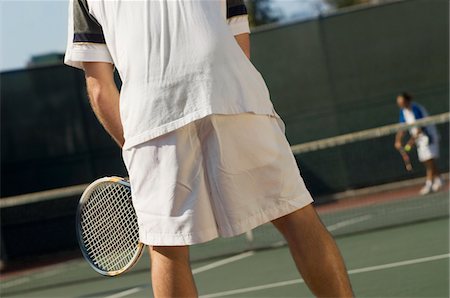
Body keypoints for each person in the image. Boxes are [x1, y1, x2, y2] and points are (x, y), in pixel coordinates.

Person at [65, 1, 353, 296]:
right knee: (296, 216)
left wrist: (137, 149)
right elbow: (238, 40)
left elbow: (99, 87)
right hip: (230, 88)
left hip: (150, 115)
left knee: (167, 249)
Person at [395, 92, 443, 195]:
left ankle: (429, 184)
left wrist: (410, 142)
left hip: (428, 136)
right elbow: (402, 128)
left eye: (402, 102)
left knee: (428, 160)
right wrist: (398, 141)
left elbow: (420, 127)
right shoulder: (403, 112)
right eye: (399, 103)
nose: (400, 104)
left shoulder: (416, 109)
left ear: (407, 101)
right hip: (419, 139)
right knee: (427, 161)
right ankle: (439, 178)